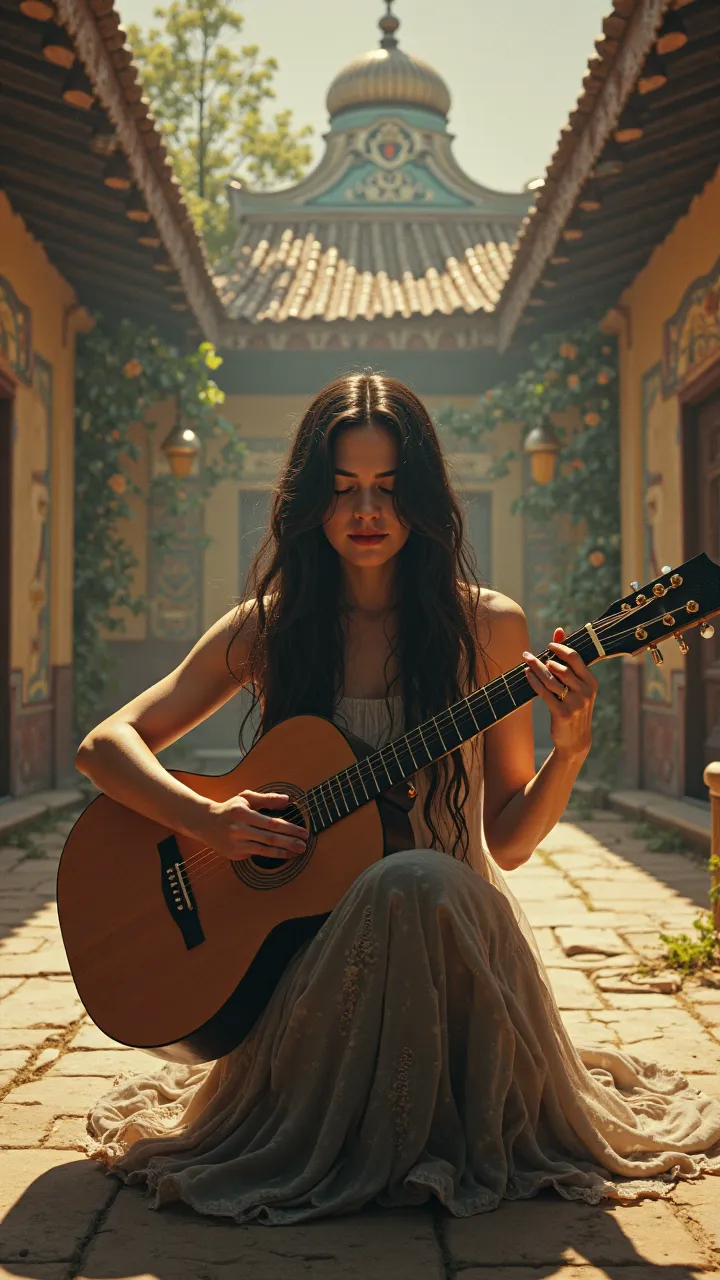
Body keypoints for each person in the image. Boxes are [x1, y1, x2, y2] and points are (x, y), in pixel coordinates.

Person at [78, 373, 720, 1224]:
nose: (366, 510)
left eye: (388, 488)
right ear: (312, 502)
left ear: (423, 499)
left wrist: (570, 750)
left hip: (451, 938)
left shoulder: (488, 629)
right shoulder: (269, 627)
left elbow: (511, 842)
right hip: (311, 958)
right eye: (343, 489)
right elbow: (105, 745)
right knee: (395, 880)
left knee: (415, 876)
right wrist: (209, 822)